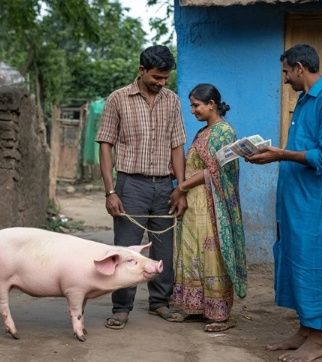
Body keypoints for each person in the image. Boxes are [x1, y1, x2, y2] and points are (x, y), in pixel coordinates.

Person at [247, 44, 322, 361]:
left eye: (286, 72)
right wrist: (273, 157)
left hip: (317, 203)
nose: (285, 79)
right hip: (296, 200)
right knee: (294, 259)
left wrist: (279, 154)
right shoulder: (305, 100)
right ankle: (306, 332)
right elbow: (304, 152)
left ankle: (319, 340)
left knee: (314, 264)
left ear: (300, 68)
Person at [96, 45, 188, 330]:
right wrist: (111, 191)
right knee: (126, 249)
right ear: (141, 70)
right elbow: (105, 144)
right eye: (156, 77)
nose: (161, 83)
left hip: (164, 185)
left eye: (165, 78)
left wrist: (180, 188)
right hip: (130, 184)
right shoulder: (118, 99)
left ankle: (160, 302)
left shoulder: (172, 101)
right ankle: (121, 307)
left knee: (164, 248)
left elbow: (177, 145)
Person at [171, 83, 247, 332]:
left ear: (212, 104)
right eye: (191, 105)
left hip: (212, 205)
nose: (192, 110)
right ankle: (197, 307)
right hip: (195, 204)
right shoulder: (203, 132)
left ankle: (219, 314)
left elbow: (213, 170)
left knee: (212, 254)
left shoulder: (224, 132)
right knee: (193, 252)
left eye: (196, 105)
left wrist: (181, 187)